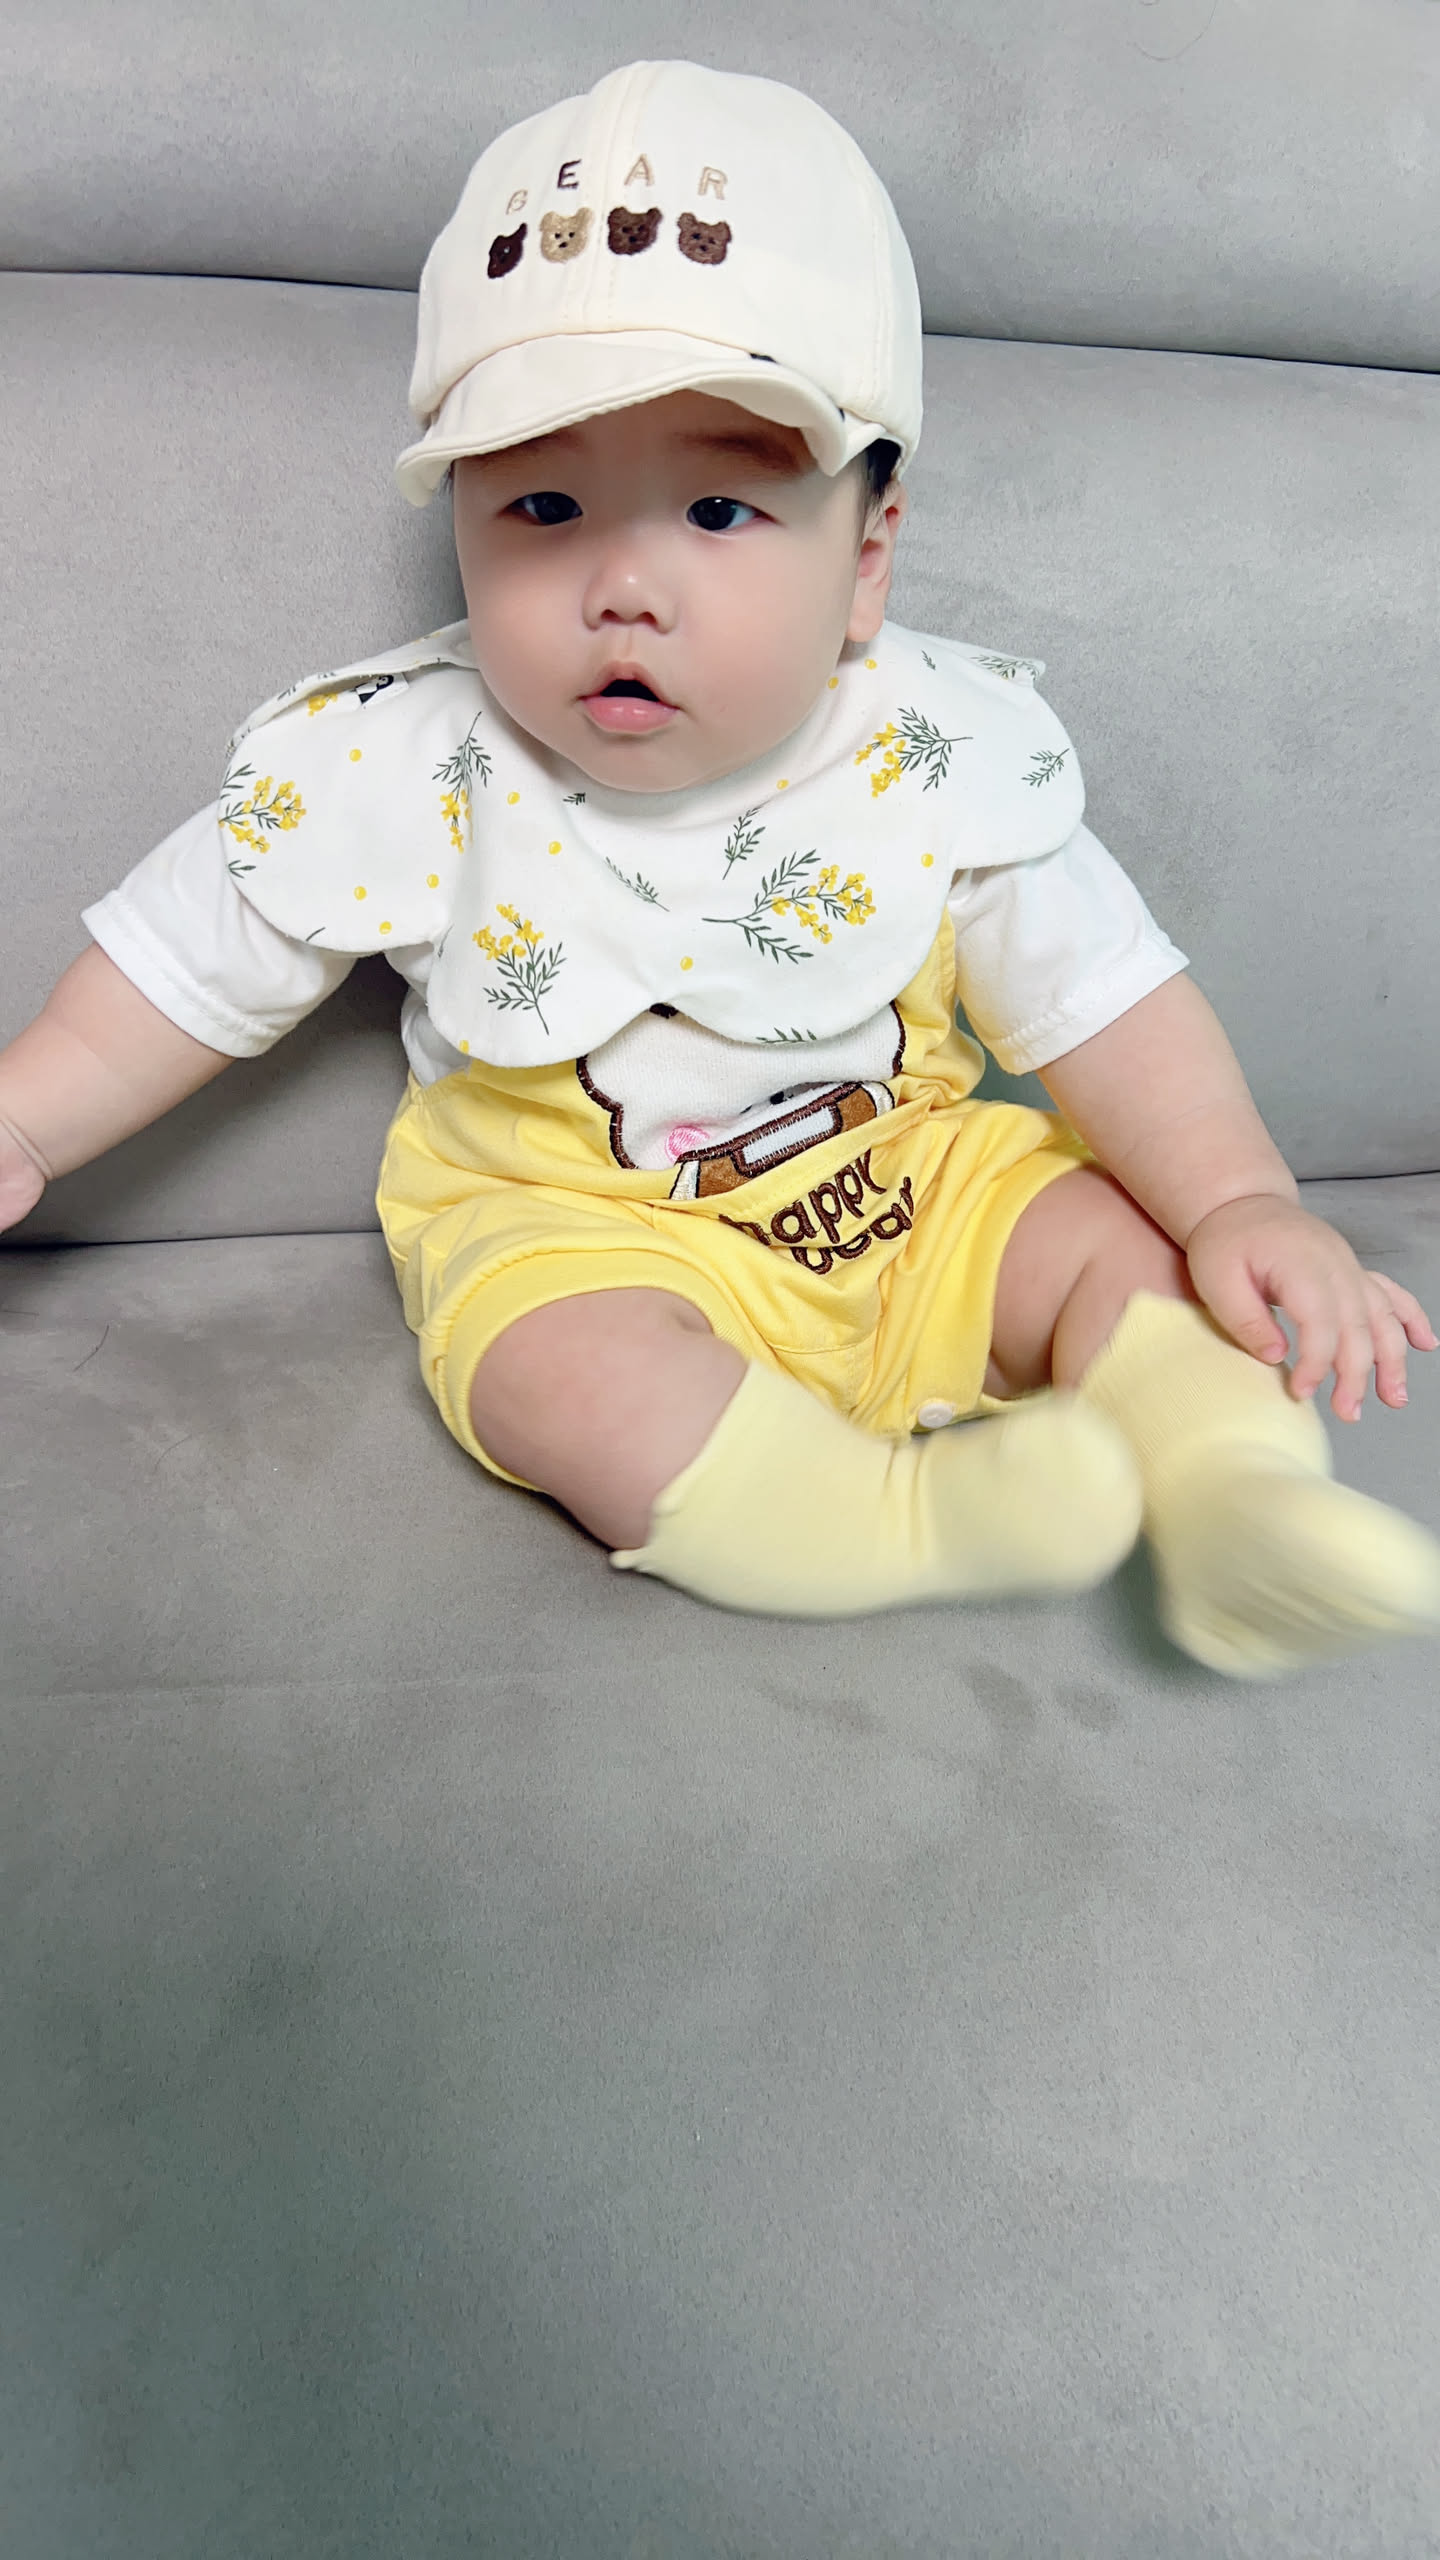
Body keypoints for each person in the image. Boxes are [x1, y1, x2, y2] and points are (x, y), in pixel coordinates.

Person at [2, 58, 1438, 1677]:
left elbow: (1110, 1003)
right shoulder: (408, 762)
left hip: (914, 1181)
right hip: (576, 1227)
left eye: (719, 510)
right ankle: (892, 1525)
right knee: (562, 1378)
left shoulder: (926, 753)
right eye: (545, 504)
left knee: (1129, 1253)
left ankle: (1231, 1486)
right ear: (463, 520)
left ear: (866, 560)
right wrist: (25, 1119)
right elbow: (192, 961)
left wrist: (1241, 1198)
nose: (625, 585)